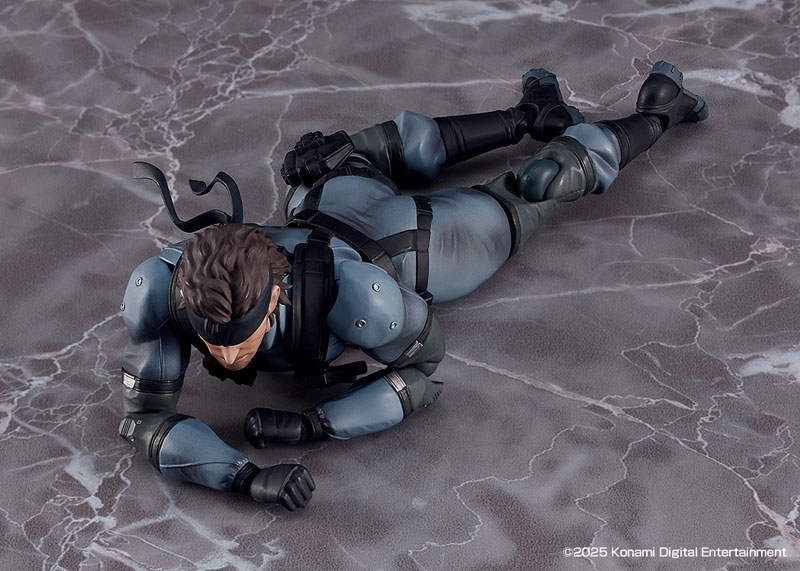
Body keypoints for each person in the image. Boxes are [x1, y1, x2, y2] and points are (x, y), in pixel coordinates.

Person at [120, 61, 708, 510]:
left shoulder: (360, 299)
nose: (224, 355)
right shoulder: (163, 285)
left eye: (237, 334)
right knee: (329, 161)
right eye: (212, 336)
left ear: (275, 296)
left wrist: (313, 425)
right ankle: (533, 112)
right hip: (328, 206)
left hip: (411, 247)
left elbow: (421, 376)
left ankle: (658, 112)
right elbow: (143, 418)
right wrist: (243, 478)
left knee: (541, 181)